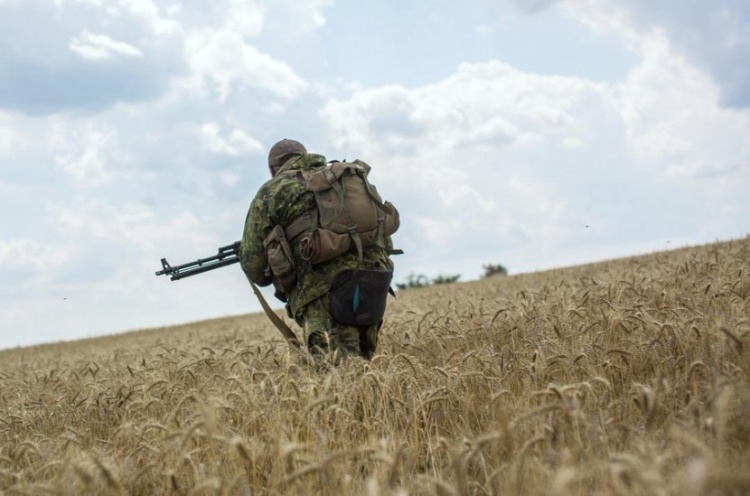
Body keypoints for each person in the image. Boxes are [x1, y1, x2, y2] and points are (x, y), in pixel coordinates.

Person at [239, 139, 400, 360]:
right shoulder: (342, 177)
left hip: (325, 292)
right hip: (374, 280)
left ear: (272, 169)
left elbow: (254, 267)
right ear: (305, 155)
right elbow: (381, 234)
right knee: (364, 367)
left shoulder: (272, 191)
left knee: (337, 378)